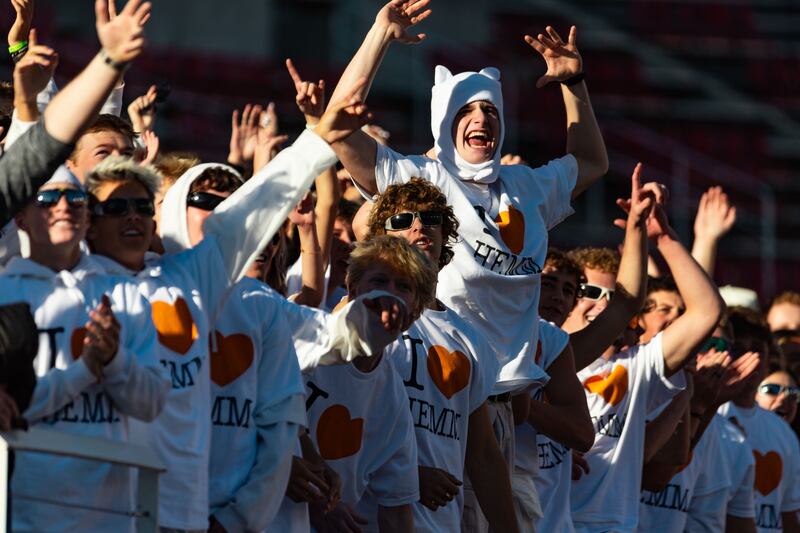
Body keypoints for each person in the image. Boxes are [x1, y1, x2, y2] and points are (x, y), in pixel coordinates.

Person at [567, 166, 725, 532]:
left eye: (611, 296)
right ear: (563, 298)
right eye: (590, 292)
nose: (601, 305)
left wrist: (664, 238)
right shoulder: (539, 357)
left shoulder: (634, 368)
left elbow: (707, 311)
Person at [365, 178, 519, 532]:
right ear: (379, 240)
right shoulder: (360, 315)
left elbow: (481, 453)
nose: (419, 226)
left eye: (431, 217)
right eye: (402, 221)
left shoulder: (469, 340)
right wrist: (409, 477)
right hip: (371, 518)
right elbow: (340, 417)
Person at [304, 236, 430, 532]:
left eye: (403, 287)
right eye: (380, 280)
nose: (389, 294)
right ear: (352, 289)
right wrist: (312, 504)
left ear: (415, 312)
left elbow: (397, 510)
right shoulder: (309, 343)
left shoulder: (393, 398)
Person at [717, 307, 800, 532]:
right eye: (739, 349)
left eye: (757, 349)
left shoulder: (783, 433)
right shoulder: (711, 418)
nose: (750, 358)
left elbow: (789, 514)